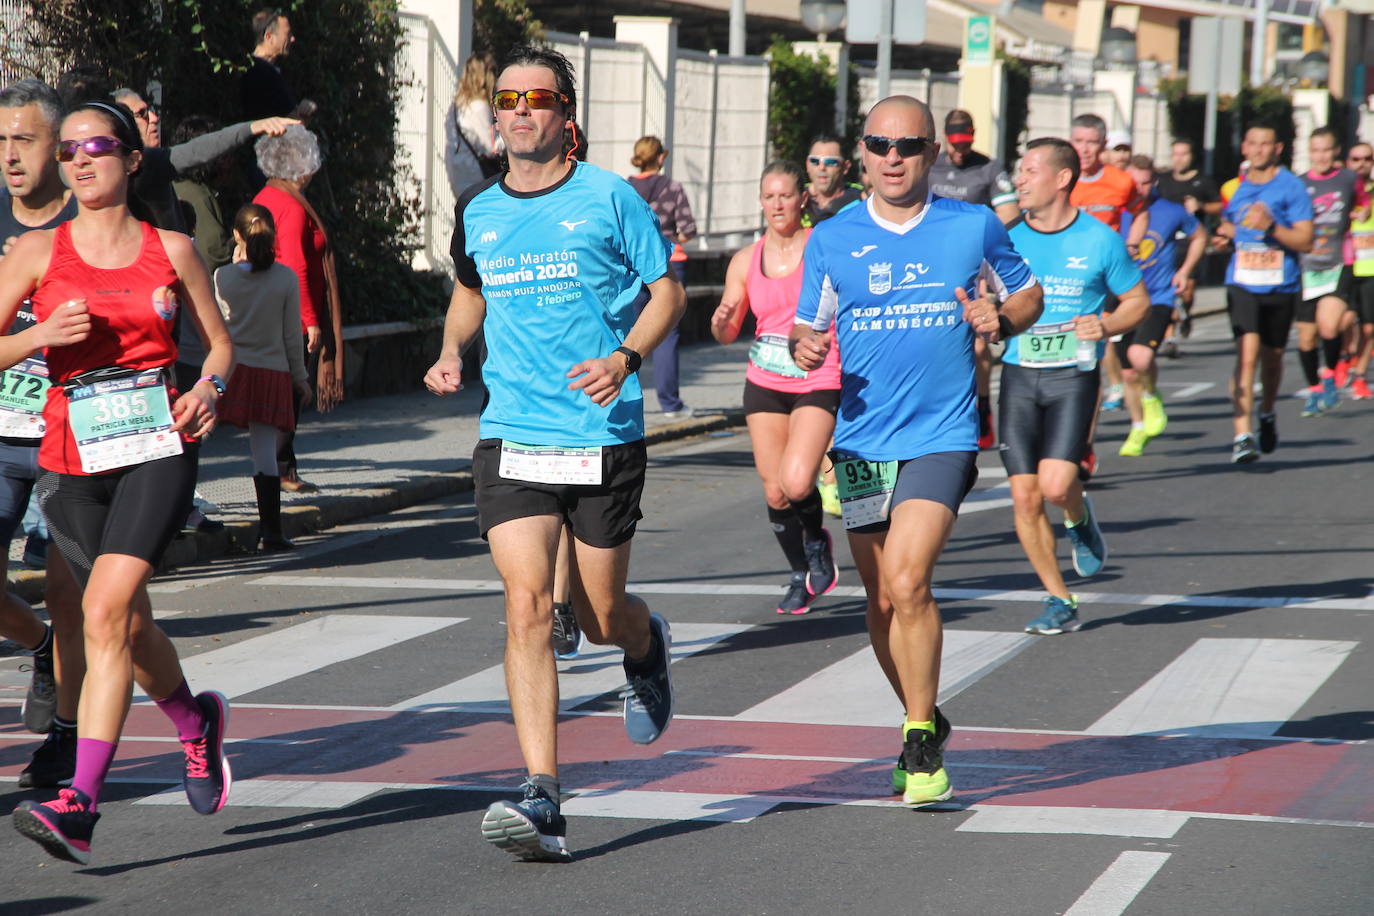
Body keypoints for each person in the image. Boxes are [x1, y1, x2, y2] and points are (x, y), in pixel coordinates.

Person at [423, 44, 684, 861]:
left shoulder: (610, 197)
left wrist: (625, 360)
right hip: (514, 433)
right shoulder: (481, 209)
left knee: (603, 615)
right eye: (508, 99)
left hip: (601, 433)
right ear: (495, 116)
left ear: (566, 113)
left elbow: (667, 290)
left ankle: (645, 646)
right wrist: (451, 350)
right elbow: (471, 286)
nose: (522, 110)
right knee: (529, 606)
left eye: (539, 97)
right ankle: (543, 796)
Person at [790, 96, 1042, 807]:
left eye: (908, 145)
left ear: (934, 153)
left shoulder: (974, 225)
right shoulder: (833, 237)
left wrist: (1001, 316)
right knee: (878, 602)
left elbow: (1030, 296)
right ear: (861, 154)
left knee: (907, 582)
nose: (893, 157)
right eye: (879, 144)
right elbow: (806, 329)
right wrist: (803, 345)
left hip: (943, 434)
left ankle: (920, 739)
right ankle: (922, 714)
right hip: (863, 441)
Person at [1, 99, 234, 863]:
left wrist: (209, 391)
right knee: (126, 629)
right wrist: (37, 335)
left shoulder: (174, 248)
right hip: (70, 464)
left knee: (102, 610)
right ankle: (194, 722)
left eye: (99, 145)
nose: (81, 158)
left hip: (155, 449)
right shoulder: (36, 252)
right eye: (69, 148)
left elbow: (221, 348)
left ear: (133, 159)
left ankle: (80, 803)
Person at [1005, 138, 1149, 634]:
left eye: (1029, 171)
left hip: (1073, 375)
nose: (1019, 180)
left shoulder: (1099, 239)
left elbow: (1137, 301)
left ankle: (1077, 514)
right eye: (1019, 172)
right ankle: (1058, 598)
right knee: (1024, 497)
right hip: (1019, 372)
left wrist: (1105, 325)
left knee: (1056, 485)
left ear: (1062, 179)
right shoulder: (1007, 238)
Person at [0, 78, 86, 791]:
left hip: (70, 436)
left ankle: (64, 741)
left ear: (56, 147)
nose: (9, 155)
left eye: (23, 140)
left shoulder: (93, 218)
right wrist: (36, 337)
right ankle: (41, 644)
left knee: (67, 588)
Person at [710, 160, 839, 615]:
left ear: (802, 199)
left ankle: (818, 541)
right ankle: (798, 572)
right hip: (764, 378)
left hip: (817, 375)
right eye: (770, 197)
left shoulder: (822, 246)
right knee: (774, 491)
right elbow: (728, 325)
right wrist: (722, 322)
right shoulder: (746, 260)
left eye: (786, 195)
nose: (778, 204)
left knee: (798, 478)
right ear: (761, 203)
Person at [1211, 124, 1314, 463]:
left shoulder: (1291, 187)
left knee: (1272, 358)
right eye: (1252, 144)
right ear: (1244, 148)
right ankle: (1242, 433)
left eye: (1265, 144)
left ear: (1278, 148)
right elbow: (1232, 224)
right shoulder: (1238, 188)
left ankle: (1267, 410)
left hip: (1280, 283)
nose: (1258, 150)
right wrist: (1224, 235)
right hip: (1242, 282)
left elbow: (1305, 240)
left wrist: (1271, 226)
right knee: (1247, 352)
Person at [212, 204, 311, 550]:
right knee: (264, 452)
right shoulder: (285, 278)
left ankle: (185, 512)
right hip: (272, 371)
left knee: (200, 440)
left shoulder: (221, 277)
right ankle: (271, 531)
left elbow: (218, 329)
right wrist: (300, 378)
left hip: (233, 369)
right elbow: (291, 336)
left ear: (237, 235)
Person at [253, 125, 344, 492]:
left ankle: (282, 468)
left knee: (286, 392)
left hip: (274, 309)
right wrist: (310, 321)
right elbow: (296, 265)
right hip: (291, 315)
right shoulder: (290, 205)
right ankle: (281, 470)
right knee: (292, 392)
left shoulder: (268, 195)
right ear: (302, 165)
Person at [927, 108, 1020, 451]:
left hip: (974, 262)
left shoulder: (989, 167)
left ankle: (981, 408)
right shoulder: (930, 164)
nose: (960, 151)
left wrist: (995, 254)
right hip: (931, 261)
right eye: (954, 144)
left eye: (965, 143)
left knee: (979, 339)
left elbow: (1010, 214)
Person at [1068, 114, 1148, 470]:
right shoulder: (1061, 178)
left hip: (1103, 279)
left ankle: (1085, 443)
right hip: (1065, 276)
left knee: (1091, 354)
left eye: (1090, 142)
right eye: (1078, 141)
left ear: (1102, 146)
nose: (1083, 149)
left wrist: (1132, 243)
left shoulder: (1120, 181)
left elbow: (1141, 212)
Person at [1116, 156, 1208, 456]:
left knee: (1140, 358)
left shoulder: (1170, 211)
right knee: (1128, 373)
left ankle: (1152, 395)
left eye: (1145, 182)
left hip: (1157, 297)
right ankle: (1138, 427)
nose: (1140, 189)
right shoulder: (1116, 212)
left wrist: (1184, 271)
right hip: (1121, 299)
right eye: (1134, 183)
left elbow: (1199, 236)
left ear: (1154, 182)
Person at [112, 87, 299, 233]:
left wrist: (253, 127)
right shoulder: (112, 172)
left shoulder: (156, 161)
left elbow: (199, 149)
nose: (153, 118)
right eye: (142, 113)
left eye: (150, 110)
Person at [1294, 127, 1367, 416]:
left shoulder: (1349, 179)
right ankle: (1315, 386)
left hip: (1339, 262)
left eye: (1326, 150)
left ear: (1335, 152)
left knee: (1329, 326)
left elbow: (1363, 203)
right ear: (1309, 152)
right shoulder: (1298, 184)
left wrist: (1362, 212)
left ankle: (1332, 371)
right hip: (1306, 266)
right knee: (1306, 338)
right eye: (1315, 150)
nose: (1320, 156)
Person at [628, 135, 697, 419]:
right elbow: (688, 229)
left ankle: (626, 401)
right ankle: (670, 404)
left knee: (627, 333)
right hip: (668, 263)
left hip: (631, 265)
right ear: (660, 158)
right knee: (667, 334)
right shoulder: (672, 188)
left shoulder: (625, 189)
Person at [1156, 139, 1223, 352]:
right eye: (1175, 154)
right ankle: (1170, 336)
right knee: (1167, 288)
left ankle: (1186, 312)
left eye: (1183, 154)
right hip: (1166, 243)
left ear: (1191, 156)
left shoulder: (1203, 181)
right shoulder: (1163, 181)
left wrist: (1200, 206)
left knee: (1187, 291)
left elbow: (1219, 206)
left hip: (1192, 242)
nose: (1179, 158)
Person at [445, 53, 502, 199]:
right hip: (476, 176)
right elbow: (491, 148)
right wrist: (509, 138)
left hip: (458, 175)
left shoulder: (456, 107)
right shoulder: (479, 106)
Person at [241, 8, 313, 121]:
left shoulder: (254, 68)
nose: (292, 39)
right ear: (269, 37)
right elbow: (293, 123)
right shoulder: (262, 73)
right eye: (287, 34)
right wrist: (305, 110)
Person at [1346, 141, 1374, 398]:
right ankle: (1344, 358)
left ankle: (1360, 375)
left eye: (1367, 158)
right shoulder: (1341, 191)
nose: (1361, 163)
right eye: (1355, 159)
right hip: (1343, 265)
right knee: (1341, 322)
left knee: (1369, 328)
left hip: (1370, 269)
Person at [801, 133, 863, 227]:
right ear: (807, 165)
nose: (822, 167)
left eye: (830, 162)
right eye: (815, 161)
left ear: (845, 167)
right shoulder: (794, 197)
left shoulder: (861, 198)